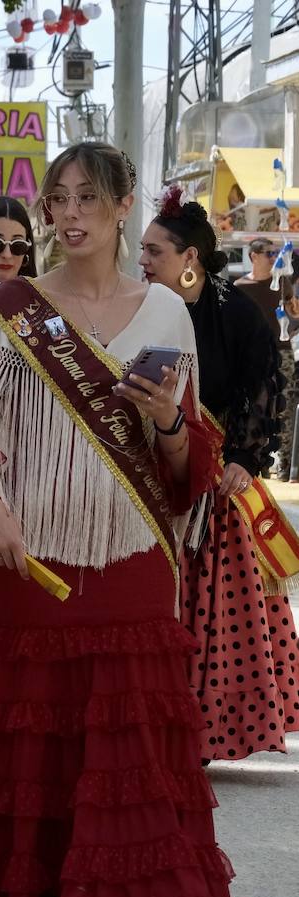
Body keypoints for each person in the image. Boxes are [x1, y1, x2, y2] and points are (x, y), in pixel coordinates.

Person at [0, 142, 238, 897]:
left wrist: (165, 424)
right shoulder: (10, 311)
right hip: (33, 566)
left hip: (131, 567)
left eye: (88, 197)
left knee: (132, 780)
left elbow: (188, 467)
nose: (69, 213)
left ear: (125, 207)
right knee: (28, 776)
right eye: (57, 198)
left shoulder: (166, 312)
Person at [139, 188, 299, 762]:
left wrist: (244, 461)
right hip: (149, 478)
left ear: (189, 259)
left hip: (215, 490)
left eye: (154, 251)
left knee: (212, 616)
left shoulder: (237, 313)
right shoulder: (140, 307)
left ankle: (204, 730)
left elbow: (268, 388)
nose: (143, 261)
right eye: (142, 250)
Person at [235, 237, 299, 478]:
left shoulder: (282, 283)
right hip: (253, 354)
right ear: (254, 256)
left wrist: (292, 306)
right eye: (269, 254)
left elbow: (294, 312)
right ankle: (255, 460)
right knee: (254, 406)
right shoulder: (240, 287)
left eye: (276, 253)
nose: (275, 258)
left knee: (284, 406)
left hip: (281, 351)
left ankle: (284, 465)